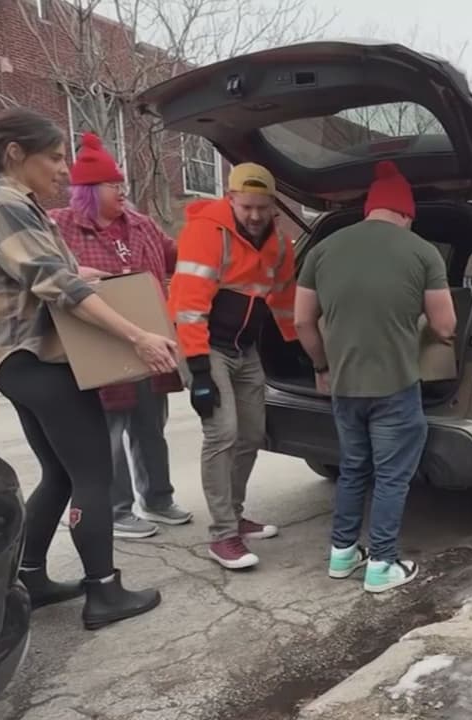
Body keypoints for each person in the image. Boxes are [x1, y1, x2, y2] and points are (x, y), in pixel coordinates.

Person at [0, 108, 174, 630]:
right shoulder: (3, 204)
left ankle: (30, 575)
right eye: (53, 157)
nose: (62, 169)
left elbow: (50, 272)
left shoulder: (12, 206)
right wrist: (138, 336)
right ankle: (104, 593)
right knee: (93, 473)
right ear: (15, 155)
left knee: (57, 472)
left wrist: (88, 271)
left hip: (15, 363)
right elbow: (56, 286)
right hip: (33, 359)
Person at [293, 160, 456, 593]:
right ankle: (382, 565)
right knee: (391, 477)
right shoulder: (422, 251)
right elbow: (444, 325)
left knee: (353, 470)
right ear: (405, 213)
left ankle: (342, 555)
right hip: (396, 387)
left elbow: (302, 323)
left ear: (370, 209)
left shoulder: (322, 249)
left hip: (344, 388)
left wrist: (323, 366)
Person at [49, 132, 192, 540]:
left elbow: (175, 255)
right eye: (115, 185)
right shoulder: (60, 225)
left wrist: (209, 246)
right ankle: (117, 509)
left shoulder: (141, 224)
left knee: (151, 426)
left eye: (123, 184)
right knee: (108, 432)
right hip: (101, 342)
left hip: (149, 340)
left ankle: (158, 499)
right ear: (91, 190)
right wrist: (75, 274)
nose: (123, 192)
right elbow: (42, 272)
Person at [168, 162, 297, 569]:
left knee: (252, 434)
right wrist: (199, 371)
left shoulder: (280, 244)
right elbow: (187, 307)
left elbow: (283, 300)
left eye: (263, 207)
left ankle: (235, 516)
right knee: (221, 435)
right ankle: (221, 535)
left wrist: (298, 350)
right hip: (209, 349)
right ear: (230, 200)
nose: (255, 216)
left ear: (274, 206)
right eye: (247, 207)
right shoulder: (208, 233)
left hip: (246, 351)